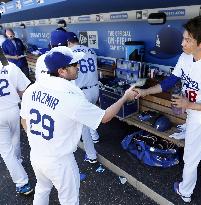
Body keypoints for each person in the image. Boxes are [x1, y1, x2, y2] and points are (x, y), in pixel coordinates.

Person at [134, 16, 201, 203]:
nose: (182, 43)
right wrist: (145, 91)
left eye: (188, 40)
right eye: (183, 38)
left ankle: (185, 192)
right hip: (193, 112)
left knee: (190, 157)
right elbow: (170, 81)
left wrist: (188, 105)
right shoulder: (186, 56)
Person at [20, 46, 137, 205]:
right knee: (69, 201)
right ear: (62, 71)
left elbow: (24, 120)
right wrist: (124, 98)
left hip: (37, 154)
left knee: (42, 189)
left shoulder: (32, 89)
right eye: (74, 65)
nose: (78, 67)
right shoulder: (70, 98)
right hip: (60, 162)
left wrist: (37, 141)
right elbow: (105, 118)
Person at [0, 58, 33, 195]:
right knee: (15, 140)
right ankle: (18, 162)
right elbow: (24, 90)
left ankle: (22, 183)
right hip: (13, 109)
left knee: (6, 151)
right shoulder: (10, 66)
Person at [67, 31, 99, 163]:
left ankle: (91, 156)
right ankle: (95, 135)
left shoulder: (69, 53)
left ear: (68, 42)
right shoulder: (90, 50)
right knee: (91, 114)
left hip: (82, 92)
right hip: (95, 89)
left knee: (83, 127)